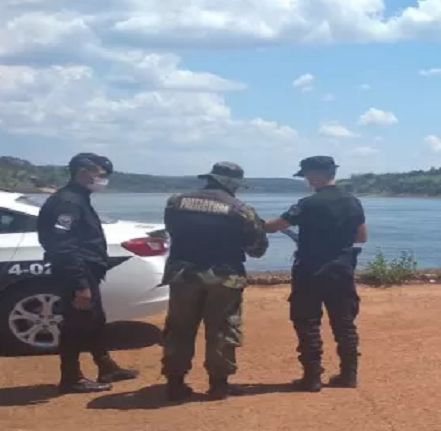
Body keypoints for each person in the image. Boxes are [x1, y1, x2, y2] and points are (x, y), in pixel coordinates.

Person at [159, 163, 269, 401]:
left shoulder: (176, 202)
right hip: (224, 278)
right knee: (222, 329)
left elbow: (172, 231)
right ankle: (219, 385)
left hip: (182, 275)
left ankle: (175, 383)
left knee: (179, 328)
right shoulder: (240, 209)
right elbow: (257, 249)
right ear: (232, 184)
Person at [36, 153, 139, 394]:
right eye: (101, 175)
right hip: (76, 273)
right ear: (83, 173)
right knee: (75, 325)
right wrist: (80, 284)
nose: (103, 180)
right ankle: (71, 377)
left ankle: (106, 366)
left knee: (94, 321)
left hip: (86, 271)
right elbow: (63, 244)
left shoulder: (79, 198)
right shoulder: (68, 202)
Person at [264, 157, 367, 391]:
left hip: (310, 269)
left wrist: (253, 225)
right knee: (344, 323)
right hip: (342, 269)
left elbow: (275, 225)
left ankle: (312, 378)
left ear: (316, 175)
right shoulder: (353, 202)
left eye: (307, 176)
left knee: (307, 321)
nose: (306, 180)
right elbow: (361, 237)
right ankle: (349, 375)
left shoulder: (308, 204)